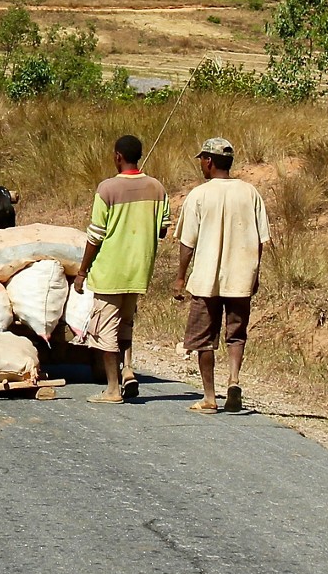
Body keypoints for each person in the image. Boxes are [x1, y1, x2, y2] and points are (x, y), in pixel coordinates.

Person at [174, 137, 270, 414]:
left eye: (203, 160)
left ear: (209, 161)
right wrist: (256, 272)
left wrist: (180, 277)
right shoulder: (250, 193)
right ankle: (234, 379)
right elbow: (261, 239)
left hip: (206, 279)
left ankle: (209, 397)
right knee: (236, 334)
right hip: (241, 277)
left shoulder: (199, 195)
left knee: (204, 338)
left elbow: (187, 243)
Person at [70, 134, 168, 404]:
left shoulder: (107, 189)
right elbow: (162, 229)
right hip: (139, 270)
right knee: (126, 324)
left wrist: (82, 272)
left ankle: (113, 389)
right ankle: (128, 370)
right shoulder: (157, 188)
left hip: (110, 271)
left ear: (117, 157)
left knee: (105, 330)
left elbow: (95, 235)